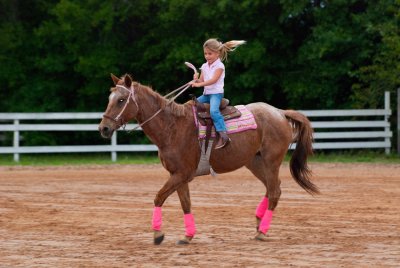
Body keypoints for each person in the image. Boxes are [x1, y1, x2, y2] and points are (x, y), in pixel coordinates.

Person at [191, 38, 246, 149]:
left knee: (213, 111)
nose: (207, 56)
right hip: (207, 94)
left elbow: (213, 80)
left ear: (217, 53)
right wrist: (196, 79)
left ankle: (223, 135)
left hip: (216, 94)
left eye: (210, 53)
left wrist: (199, 85)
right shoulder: (205, 66)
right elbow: (201, 81)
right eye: (205, 53)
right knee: (191, 105)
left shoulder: (220, 66)